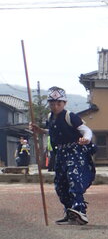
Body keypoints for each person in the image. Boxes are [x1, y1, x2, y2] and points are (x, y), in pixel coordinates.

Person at [30, 87, 95, 225]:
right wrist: (40, 130)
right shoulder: (50, 117)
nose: (55, 106)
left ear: (64, 103)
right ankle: (70, 211)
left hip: (74, 152)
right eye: (52, 103)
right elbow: (54, 131)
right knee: (60, 184)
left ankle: (80, 210)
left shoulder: (70, 116)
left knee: (74, 179)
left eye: (58, 103)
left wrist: (86, 139)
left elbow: (86, 130)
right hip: (60, 154)